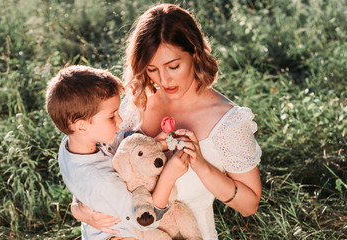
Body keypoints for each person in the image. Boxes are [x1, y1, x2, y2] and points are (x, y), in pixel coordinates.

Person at [71, 4, 262, 239]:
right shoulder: (138, 102)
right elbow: (94, 154)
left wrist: (203, 167)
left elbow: (249, 205)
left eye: (173, 66)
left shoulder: (228, 122)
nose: (164, 80)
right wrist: (78, 207)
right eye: (152, 69)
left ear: (195, 52)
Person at [46, 65, 180, 239]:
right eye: (112, 116)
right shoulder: (102, 181)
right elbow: (147, 220)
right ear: (81, 126)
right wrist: (169, 177)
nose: (120, 120)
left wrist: (153, 144)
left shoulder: (72, 141)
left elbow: (119, 143)